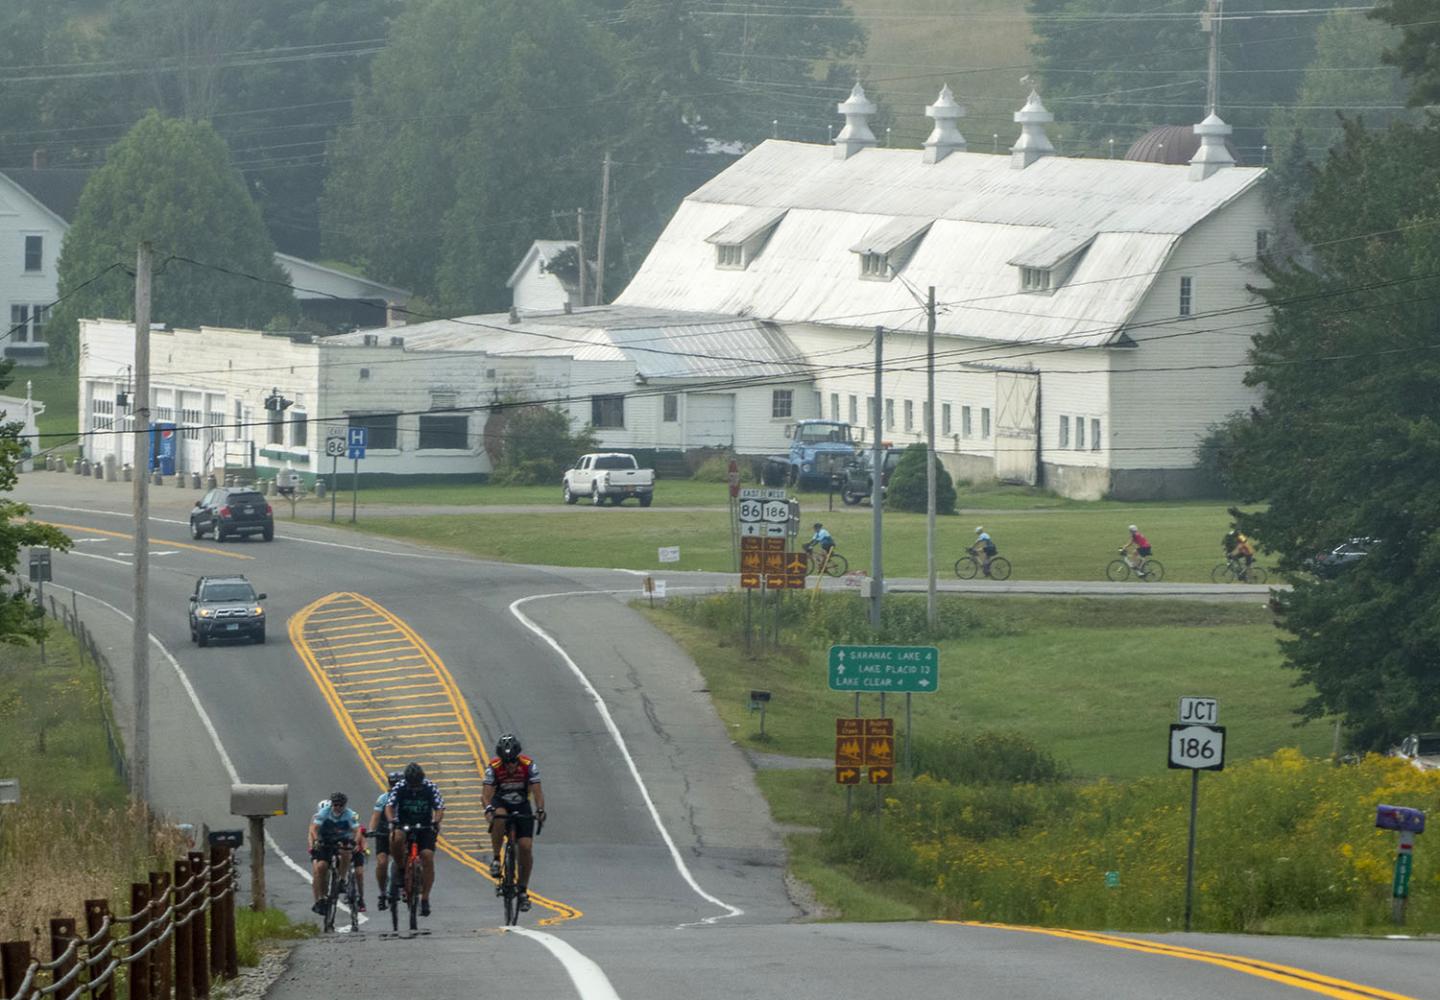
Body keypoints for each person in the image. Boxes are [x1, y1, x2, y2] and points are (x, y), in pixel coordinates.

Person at [483, 734, 546, 913]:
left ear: (517, 758)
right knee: (499, 817)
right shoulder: (494, 767)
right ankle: (496, 858)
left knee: (525, 847)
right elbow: (486, 794)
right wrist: (488, 809)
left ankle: (523, 891)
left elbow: (538, 792)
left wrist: (540, 810)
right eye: (506, 761)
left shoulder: (528, 765)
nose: (509, 765)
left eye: (512, 761)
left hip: (521, 804)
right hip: (501, 802)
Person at [385, 763, 445, 917]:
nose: (415, 788)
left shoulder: (430, 787)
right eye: (412, 785)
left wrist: (436, 821)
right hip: (404, 823)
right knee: (396, 838)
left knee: (427, 856)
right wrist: (392, 820)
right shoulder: (400, 787)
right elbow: (390, 806)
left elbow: (439, 807)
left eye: (417, 784)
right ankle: (400, 868)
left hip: (425, 825)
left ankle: (425, 898)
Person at [308, 792, 362, 915]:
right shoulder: (324, 812)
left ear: (345, 805)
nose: (337, 807)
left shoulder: (349, 814)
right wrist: (316, 840)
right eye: (335, 804)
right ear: (332, 804)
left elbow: (357, 829)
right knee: (321, 867)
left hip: (342, 839)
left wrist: (355, 842)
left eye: (340, 805)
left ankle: (342, 880)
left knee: (345, 851)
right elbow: (314, 828)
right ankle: (321, 898)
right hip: (325, 840)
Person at [369, 770, 403, 910]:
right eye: (393, 783)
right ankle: (382, 893)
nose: (395, 786)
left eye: (398, 783)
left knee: (405, 857)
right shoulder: (383, 798)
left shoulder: (405, 797)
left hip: (401, 832)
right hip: (384, 833)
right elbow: (376, 816)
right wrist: (372, 830)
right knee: (382, 862)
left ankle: (406, 885)